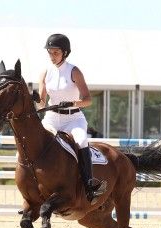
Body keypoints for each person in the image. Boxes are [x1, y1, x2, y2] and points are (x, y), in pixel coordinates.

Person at [38, 33, 106, 205]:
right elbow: (41, 103)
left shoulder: (74, 71)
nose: (52, 56)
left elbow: (88, 99)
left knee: (82, 140)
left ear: (65, 53)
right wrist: (33, 99)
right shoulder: (45, 72)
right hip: (52, 118)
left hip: (73, 118)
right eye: (50, 53)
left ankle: (89, 185)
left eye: (56, 53)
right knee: (38, 142)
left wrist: (73, 103)